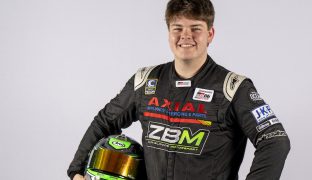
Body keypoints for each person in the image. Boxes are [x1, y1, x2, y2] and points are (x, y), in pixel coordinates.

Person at [67, 0, 291, 179]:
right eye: (178, 28)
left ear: (210, 34)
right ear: (168, 32)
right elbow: (105, 121)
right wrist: (77, 170)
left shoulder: (233, 88)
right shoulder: (145, 82)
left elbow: (275, 140)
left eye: (196, 28)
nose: (186, 36)